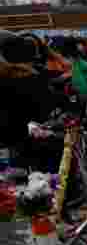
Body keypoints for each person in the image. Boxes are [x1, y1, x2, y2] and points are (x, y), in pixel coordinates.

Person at [0, 31, 57, 167]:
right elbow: (41, 112)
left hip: (15, 140)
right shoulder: (25, 77)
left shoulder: (23, 76)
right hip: (16, 141)